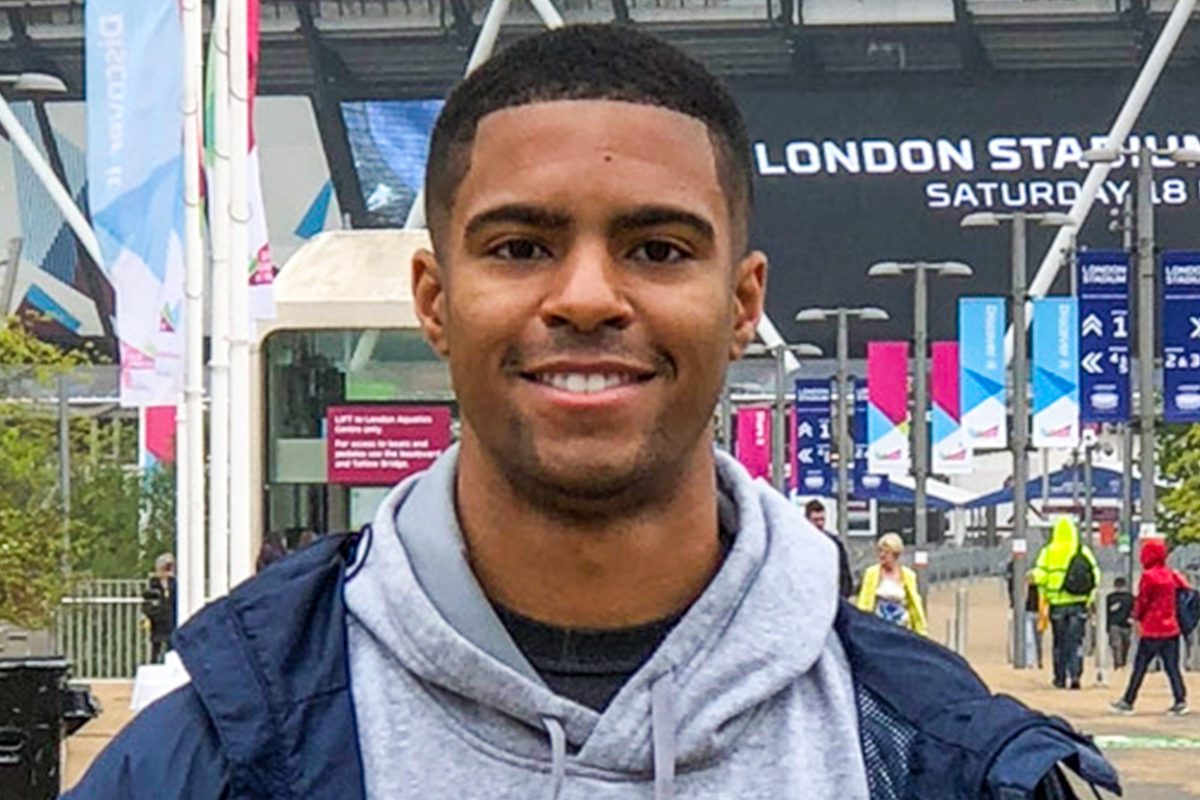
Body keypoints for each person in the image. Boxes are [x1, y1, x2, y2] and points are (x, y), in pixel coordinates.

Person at [67, 25, 1117, 800]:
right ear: (434, 300)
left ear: (742, 304)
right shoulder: (217, 751)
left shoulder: (936, 752)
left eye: (657, 248)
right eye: (520, 246)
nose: (585, 297)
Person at [1111, 539, 1190, 716]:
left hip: (1152, 629)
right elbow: (1185, 589)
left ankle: (1128, 701)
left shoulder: (1148, 576)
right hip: (1171, 628)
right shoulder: (1171, 574)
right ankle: (1180, 700)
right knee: (1172, 668)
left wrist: (1136, 616)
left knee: (1140, 667)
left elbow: (1143, 600)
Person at [1031, 516, 1100, 690]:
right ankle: (1075, 674)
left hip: (1057, 604)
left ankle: (1060, 677)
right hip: (1079, 603)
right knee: (1076, 641)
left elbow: (1040, 577)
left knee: (1059, 642)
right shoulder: (1082, 550)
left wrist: (1043, 592)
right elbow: (1095, 576)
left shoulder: (1048, 552)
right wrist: (1089, 598)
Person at [856, 533, 927, 636]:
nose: (882, 555)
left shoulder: (908, 575)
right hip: (878, 628)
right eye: (880, 551)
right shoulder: (871, 573)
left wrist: (921, 632)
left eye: (886, 552)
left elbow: (914, 605)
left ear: (895, 554)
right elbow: (864, 603)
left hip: (901, 629)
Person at [804, 499, 853, 598]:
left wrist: (842, 596)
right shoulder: (800, 544)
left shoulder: (834, 543)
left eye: (822, 519)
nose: (820, 523)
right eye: (815, 520)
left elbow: (844, 574)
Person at [1007, 559, 1043, 669]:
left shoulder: (1038, 575)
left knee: (1037, 638)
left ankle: (1037, 660)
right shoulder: (1013, 570)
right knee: (1027, 639)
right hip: (1024, 609)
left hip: (1036, 609)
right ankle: (1028, 661)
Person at [140, 553, 177, 664]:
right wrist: (151, 616)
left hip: (172, 622)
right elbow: (147, 604)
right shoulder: (153, 585)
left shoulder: (175, 584)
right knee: (156, 651)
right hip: (158, 624)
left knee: (172, 651)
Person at [1106, 575, 1134, 671]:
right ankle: (1118, 665)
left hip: (1125, 625)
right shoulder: (1110, 598)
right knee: (1117, 645)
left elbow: (1134, 609)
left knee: (1125, 645)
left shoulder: (1129, 597)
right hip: (1115, 625)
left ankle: (1122, 663)